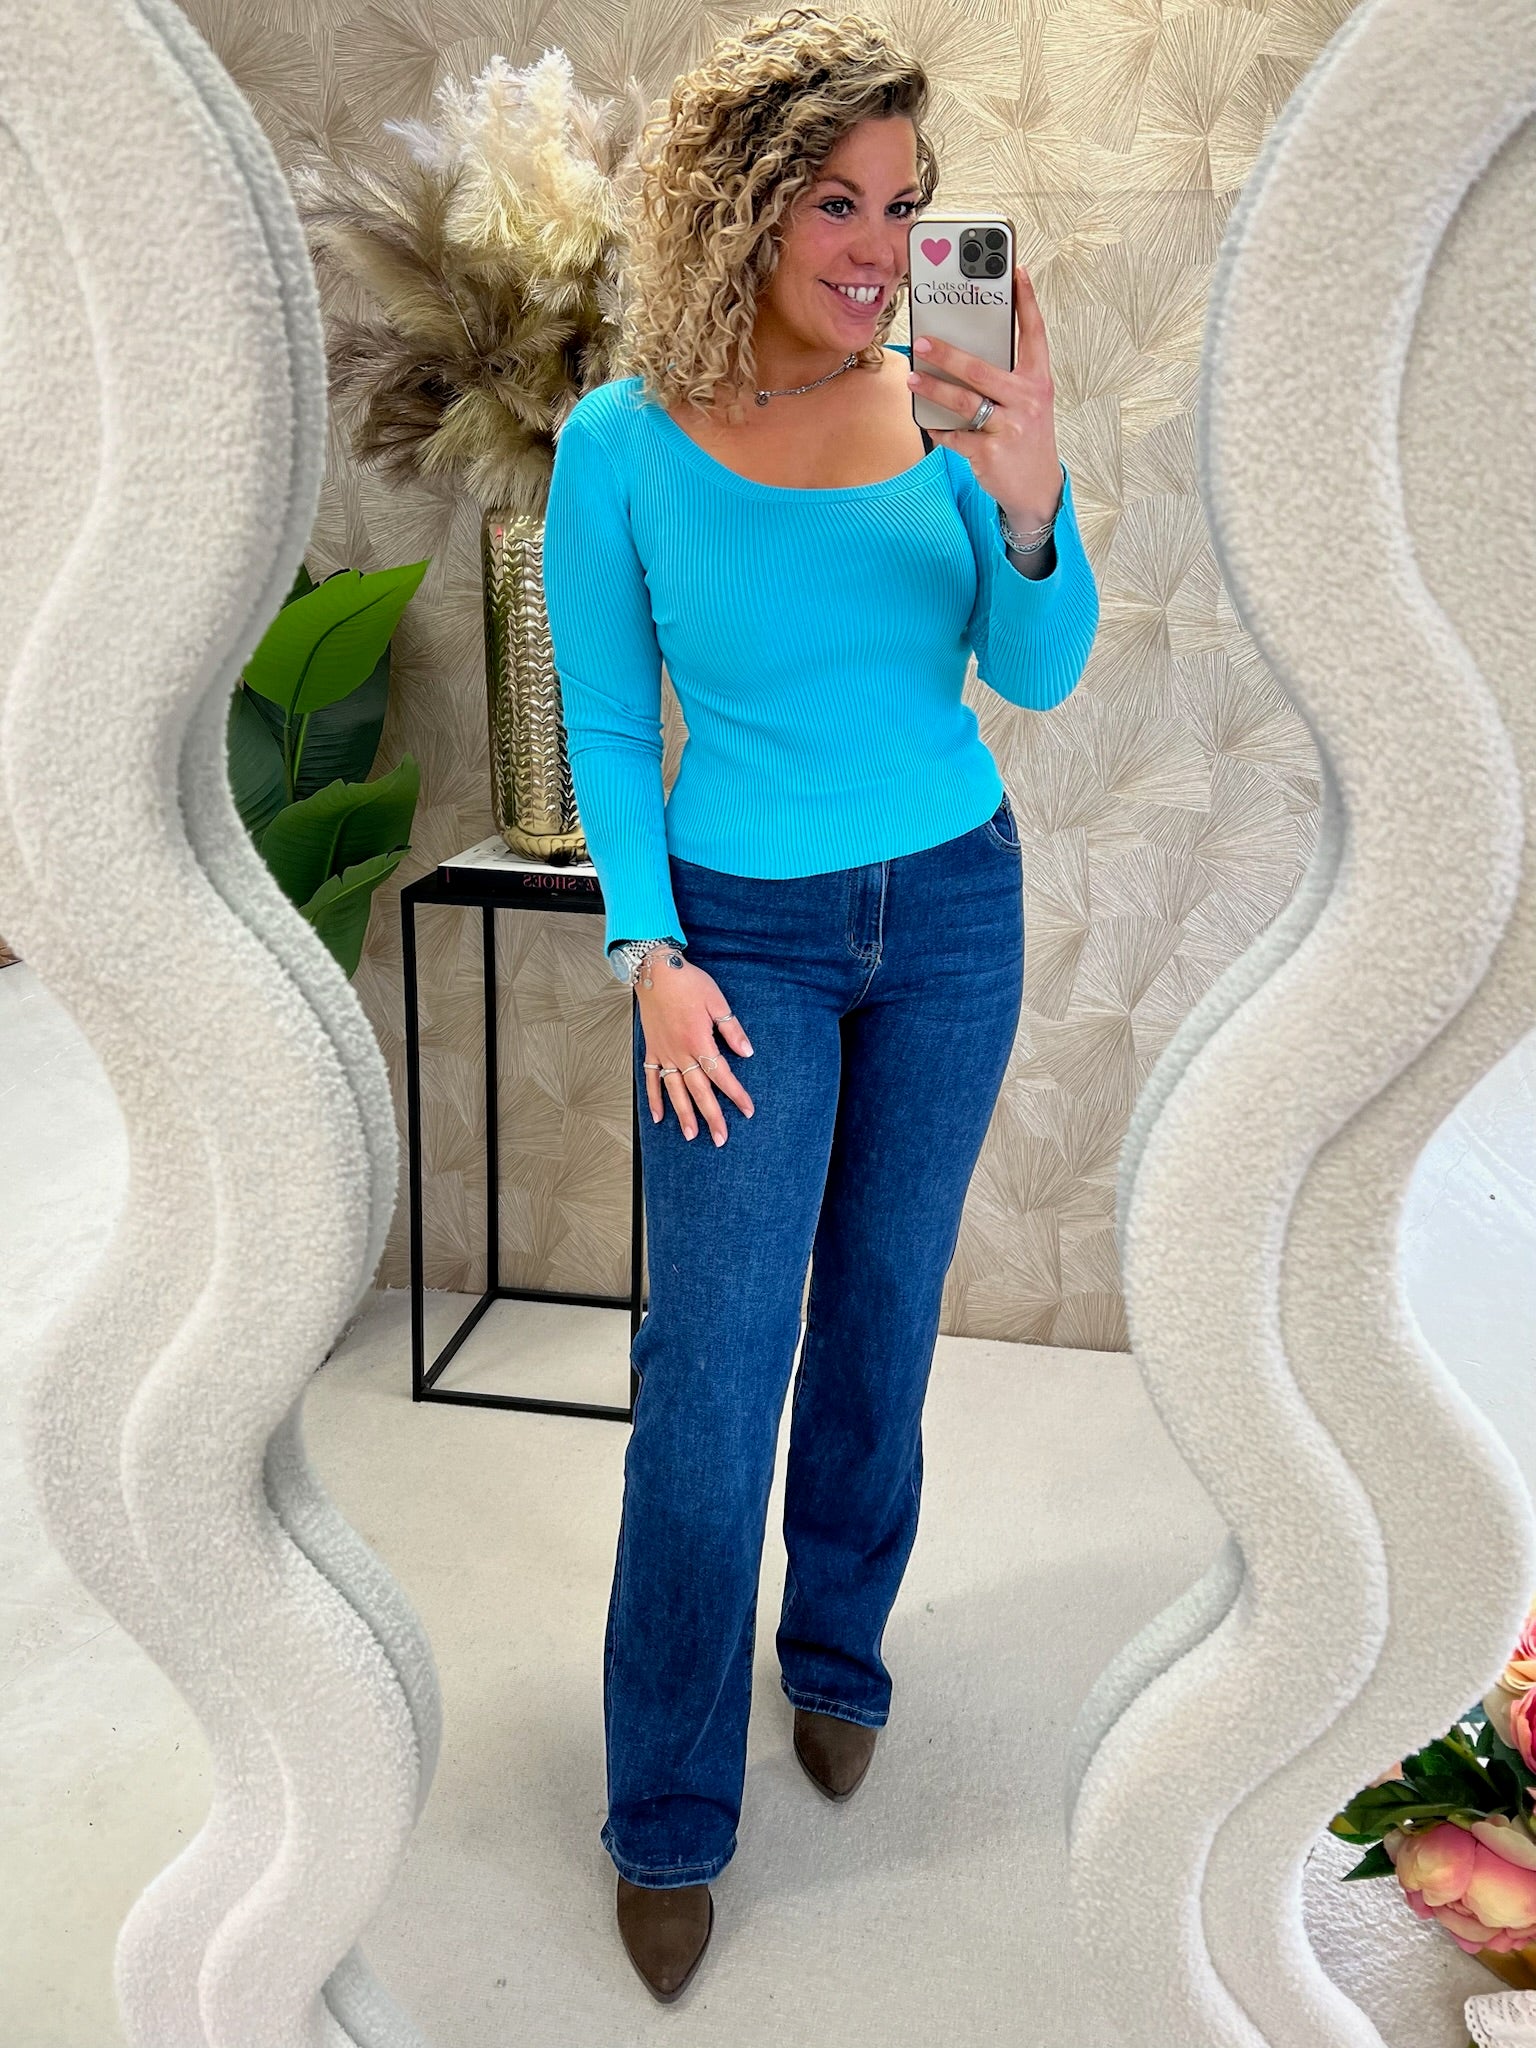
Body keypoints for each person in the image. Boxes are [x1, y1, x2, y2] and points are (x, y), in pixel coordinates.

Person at [540, 5, 1099, 2004]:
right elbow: (613, 724)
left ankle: (840, 1653)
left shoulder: (944, 410)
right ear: (742, 201)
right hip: (740, 947)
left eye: (906, 205)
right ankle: (670, 1811)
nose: (881, 248)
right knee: (709, 1386)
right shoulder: (618, 447)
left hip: (951, 912)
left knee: (879, 1321)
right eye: (838, 202)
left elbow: (1035, 669)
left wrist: (1029, 493)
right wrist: (650, 952)